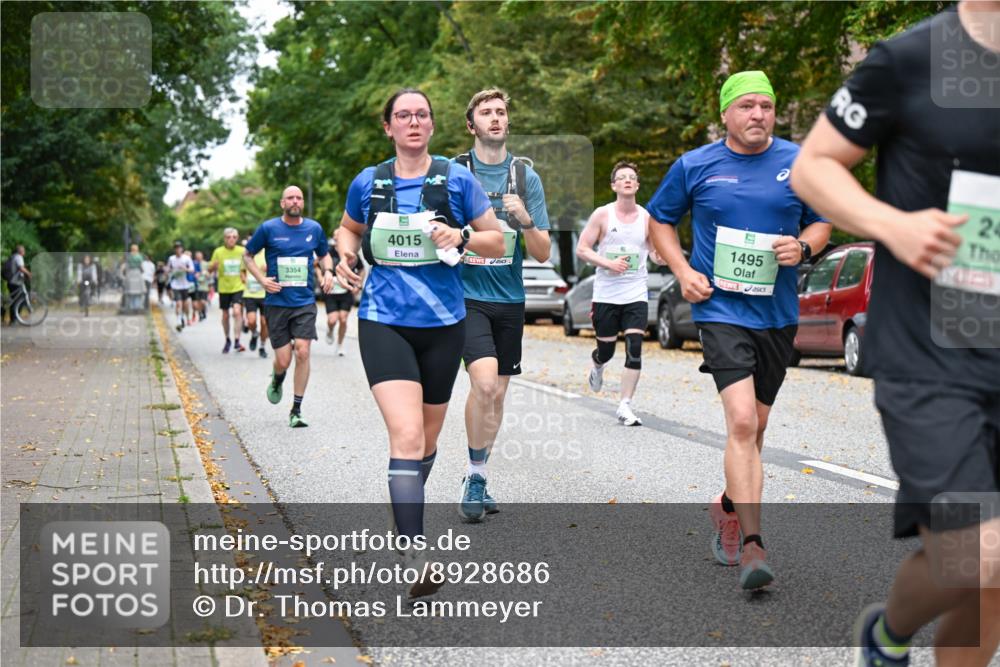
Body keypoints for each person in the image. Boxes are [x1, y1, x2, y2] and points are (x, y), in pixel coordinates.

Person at [789, 3, 1000, 664]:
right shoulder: (911, 58)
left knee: (989, 580)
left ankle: (890, 638)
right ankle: (888, 634)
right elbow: (813, 167)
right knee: (977, 551)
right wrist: (893, 224)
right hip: (931, 349)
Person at [647, 70, 831, 590]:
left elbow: (822, 220)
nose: (757, 115)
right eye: (746, 106)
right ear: (725, 113)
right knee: (744, 423)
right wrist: (683, 272)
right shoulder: (696, 165)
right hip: (720, 311)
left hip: (778, 314)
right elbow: (659, 220)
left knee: (756, 429)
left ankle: (727, 504)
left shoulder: (799, 163)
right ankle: (753, 546)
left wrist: (805, 247)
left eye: (766, 107)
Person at [334, 88, 503, 596]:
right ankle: (415, 555)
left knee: (426, 443)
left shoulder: (456, 178)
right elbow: (348, 229)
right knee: (406, 437)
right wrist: (344, 256)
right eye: (403, 115)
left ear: (432, 125)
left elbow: (497, 239)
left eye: (422, 115)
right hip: (384, 321)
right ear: (388, 127)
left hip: (445, 325)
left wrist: (463, 238)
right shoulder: (369, 181)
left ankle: (404, 502)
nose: (413, 122)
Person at [453, 88, 552, 521]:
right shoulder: (455, 173)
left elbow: (544, 251)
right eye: (486, 112)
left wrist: (525, 219)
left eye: (501, 112)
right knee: (486, 384)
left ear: (507, 123)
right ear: (471, 124)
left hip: (509, 299)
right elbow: (427, 231)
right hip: (467, 296)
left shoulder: (525, 178)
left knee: (497, 397)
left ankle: (478, 472)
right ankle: (475, 478)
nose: (496, 118)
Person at [577, 160, 662, 428]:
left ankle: (625, 405)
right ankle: (598, 364)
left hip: (636, 291)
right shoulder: (603, 215)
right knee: (607, 350)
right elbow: (582, 249)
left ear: (637, 185)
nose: (627, 180)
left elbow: (656, 252)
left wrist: (664, 256)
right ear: (614, 185)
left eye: (632, 177)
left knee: (635, 348)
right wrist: (608, 264)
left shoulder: (648, 218)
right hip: (606, 294)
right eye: (622, 177)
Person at [244, 186, 333, 428]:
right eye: (290, 198)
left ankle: (296, 409)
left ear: (302, 202)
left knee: (302, 351)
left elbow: (325, 255)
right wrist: (262, 281)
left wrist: (328, 272)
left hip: (304, 301)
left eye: (299, 197)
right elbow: (247, 255)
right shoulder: (269, 229)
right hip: (277, 303)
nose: (295, 201)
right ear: (282, 203)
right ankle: (277, 378)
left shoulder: (314, 229)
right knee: (283, 360)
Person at [320, 239, 365, 356]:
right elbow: (317, 266)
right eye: (336, 238)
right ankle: (330, 330)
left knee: (343, 319)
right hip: (331, 292)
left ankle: (340, 345)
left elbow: (362, 269)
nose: (337, 240)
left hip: (346, 292)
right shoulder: (329, 253)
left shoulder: (350, 254)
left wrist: (358, 285)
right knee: (332, 320)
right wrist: (322, 279)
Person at [210, 228, 248, 354]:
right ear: (224, 238)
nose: (231, 239)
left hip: (238, 286)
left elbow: (248, 267)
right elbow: (210, 269)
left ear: (237, 238)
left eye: (234, 237)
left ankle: (237, 340)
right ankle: (227, 339)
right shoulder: (218, 252)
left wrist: (246, 277)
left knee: (237, 312)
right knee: (225, 315)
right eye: (228, 237)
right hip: (224, 287)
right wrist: (213, 267)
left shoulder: (242, 251)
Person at [242, 244, 269, 359]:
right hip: (250, 293)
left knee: (264, 322)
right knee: (251, 321)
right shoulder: (246, 254)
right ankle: (254, 334)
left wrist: (268, 268)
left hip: (264, 294)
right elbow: (242, 272)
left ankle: (262, 346)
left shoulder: (267, 253)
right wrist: (244, 280)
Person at [167, 242, 195, 331]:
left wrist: (185, 269)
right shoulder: (171, 259)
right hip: (175, 284)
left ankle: (187, 318)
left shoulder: (186, 258)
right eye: (176, 248)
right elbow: (168, 269)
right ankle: (179, 321)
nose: (178, 249)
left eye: (179, 248)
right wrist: (169, 271)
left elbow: (192, 269)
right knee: (178, 304)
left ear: (182, 249)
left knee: (186, 304)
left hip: (185, 284)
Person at [5, 245, 31, 324]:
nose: (24, 252)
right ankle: (14, 319)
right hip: (16, 282)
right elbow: (21, 268)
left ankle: (14, 319)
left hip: (11, 282)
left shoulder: (13, 257)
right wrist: (29, 274)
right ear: (21, 251)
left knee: (15, 300)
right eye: (23, 250)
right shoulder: (19, 257)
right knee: (19, 300)